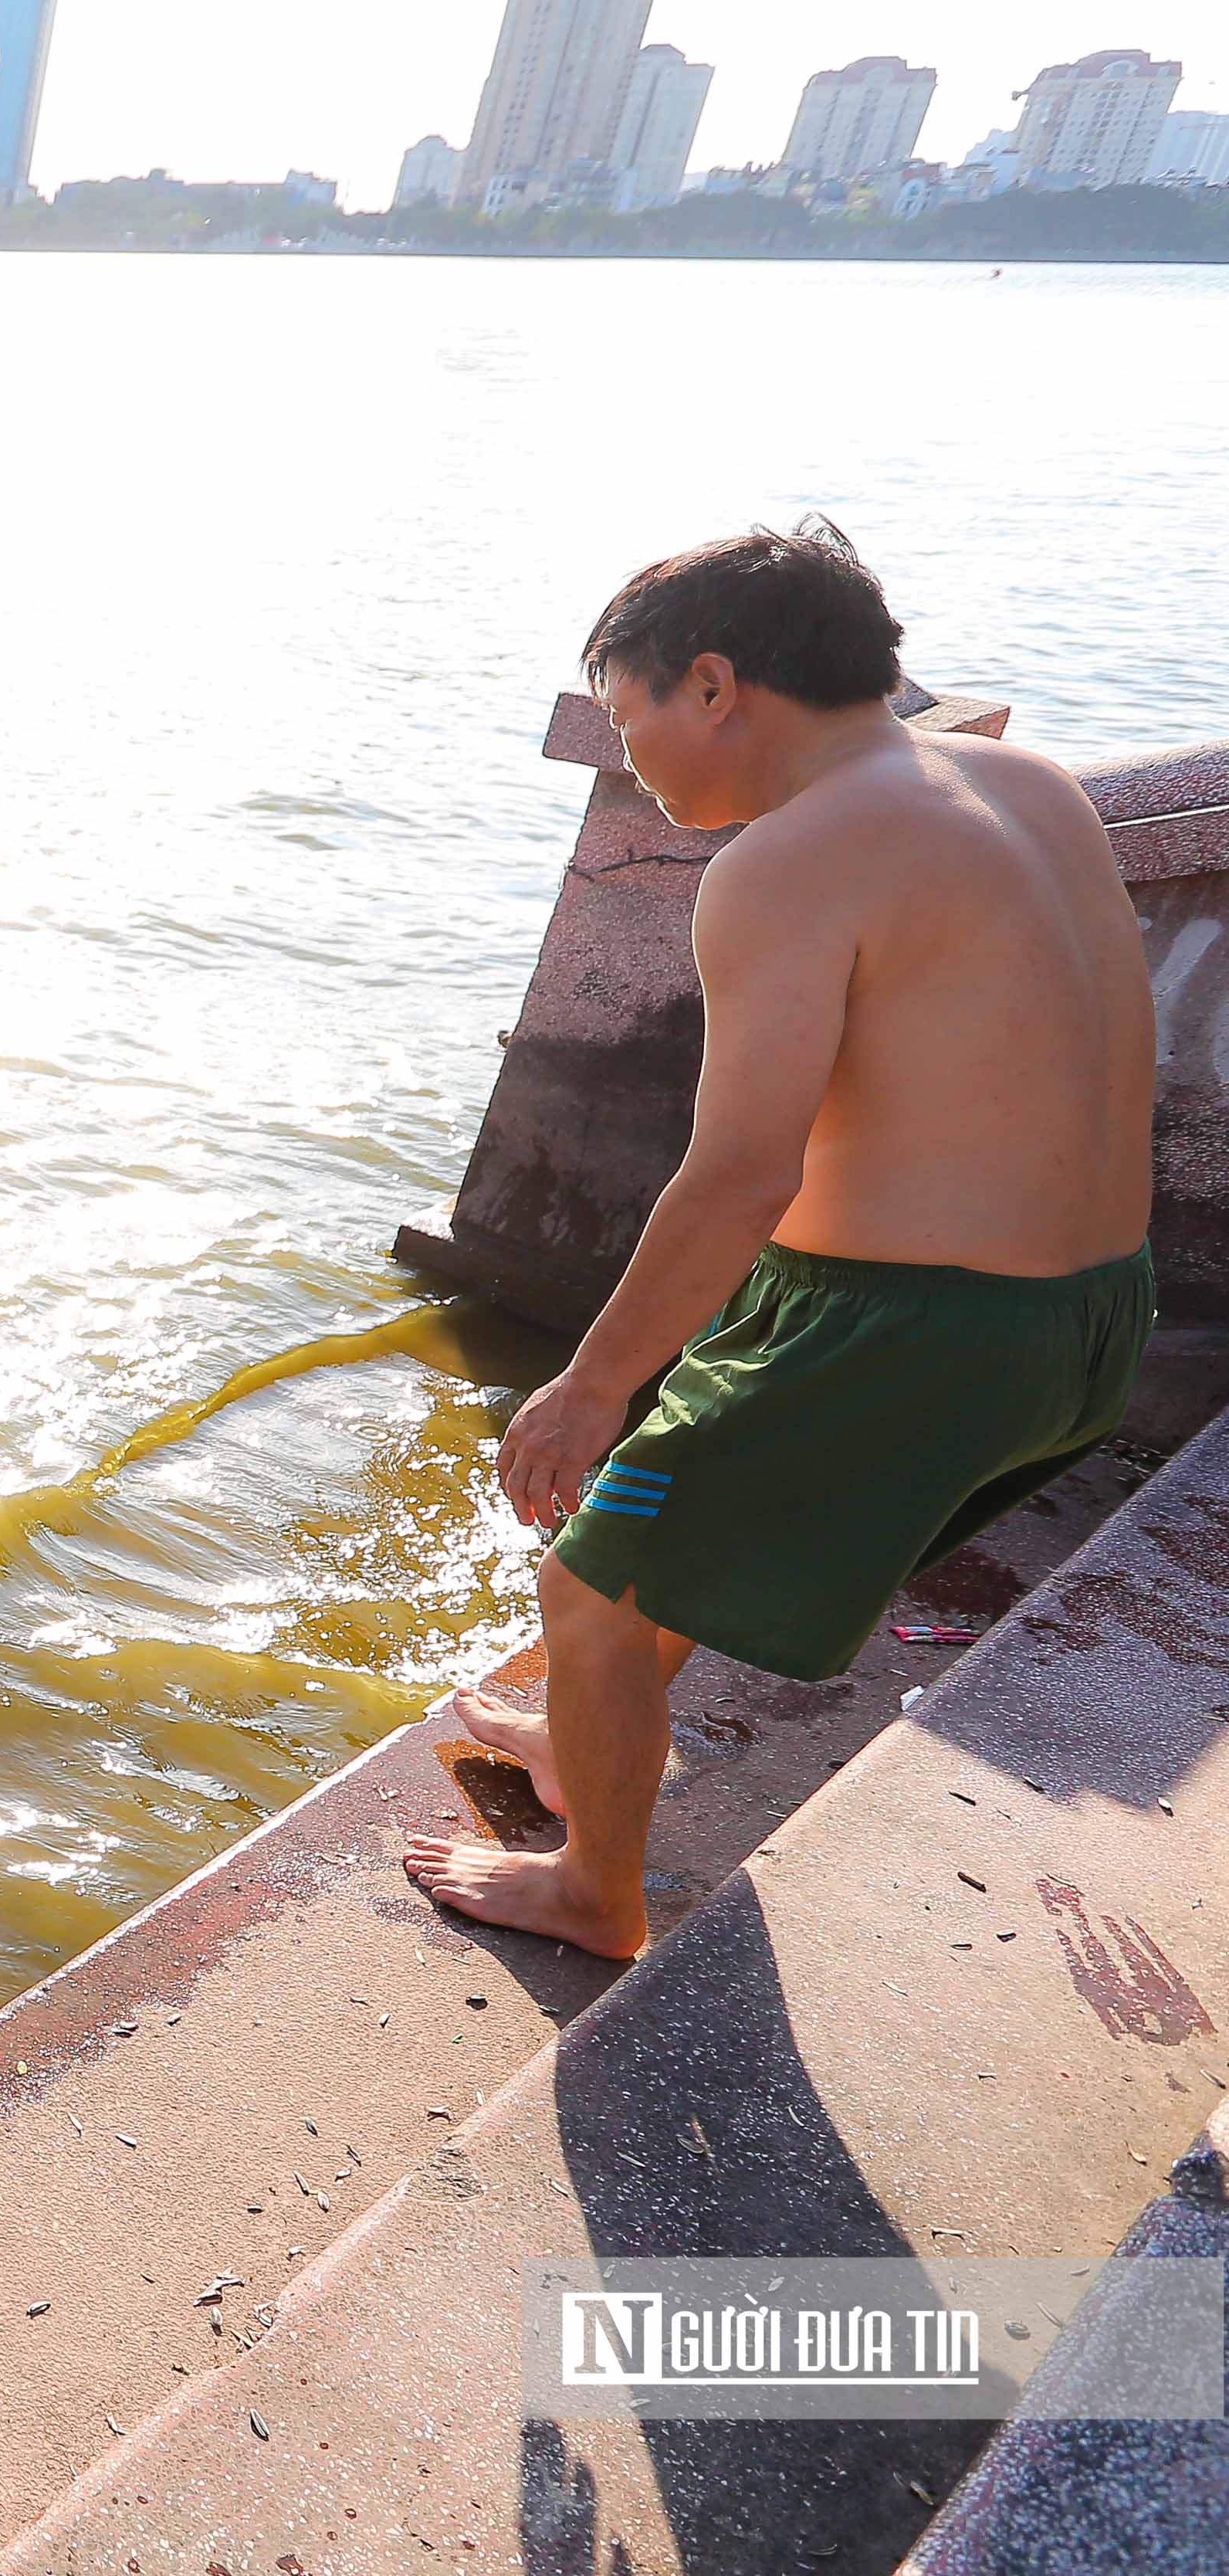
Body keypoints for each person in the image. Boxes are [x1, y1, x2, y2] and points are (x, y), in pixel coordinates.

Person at [411, 523, 1154, 1957]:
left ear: (711, 684)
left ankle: (593, 1893)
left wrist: (588, 1380)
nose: (629, 755)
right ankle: (586, 1728)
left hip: (915, 1328)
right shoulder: (1022, 785)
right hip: (1087, 1314)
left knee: (589, 1584)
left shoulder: (784, 862)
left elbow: (740, 1169)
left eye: (628, 715)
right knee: (671, 1507)